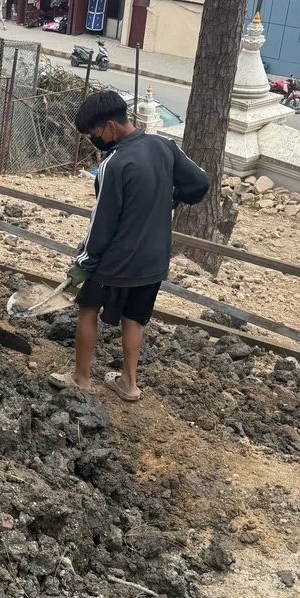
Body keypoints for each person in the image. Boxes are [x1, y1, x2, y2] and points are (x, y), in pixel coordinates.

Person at [52, 90, 209, 401]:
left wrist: (84, 261)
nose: (93, 140)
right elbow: (200, 182)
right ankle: (129, 385)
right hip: (154, 258)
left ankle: (81, 379)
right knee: (134, 317)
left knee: (87, 309)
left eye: (93, 133)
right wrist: (172, 199)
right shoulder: (164, 146)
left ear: (110, 127)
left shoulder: (115, 162)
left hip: (118, 258)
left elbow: (103, 221)